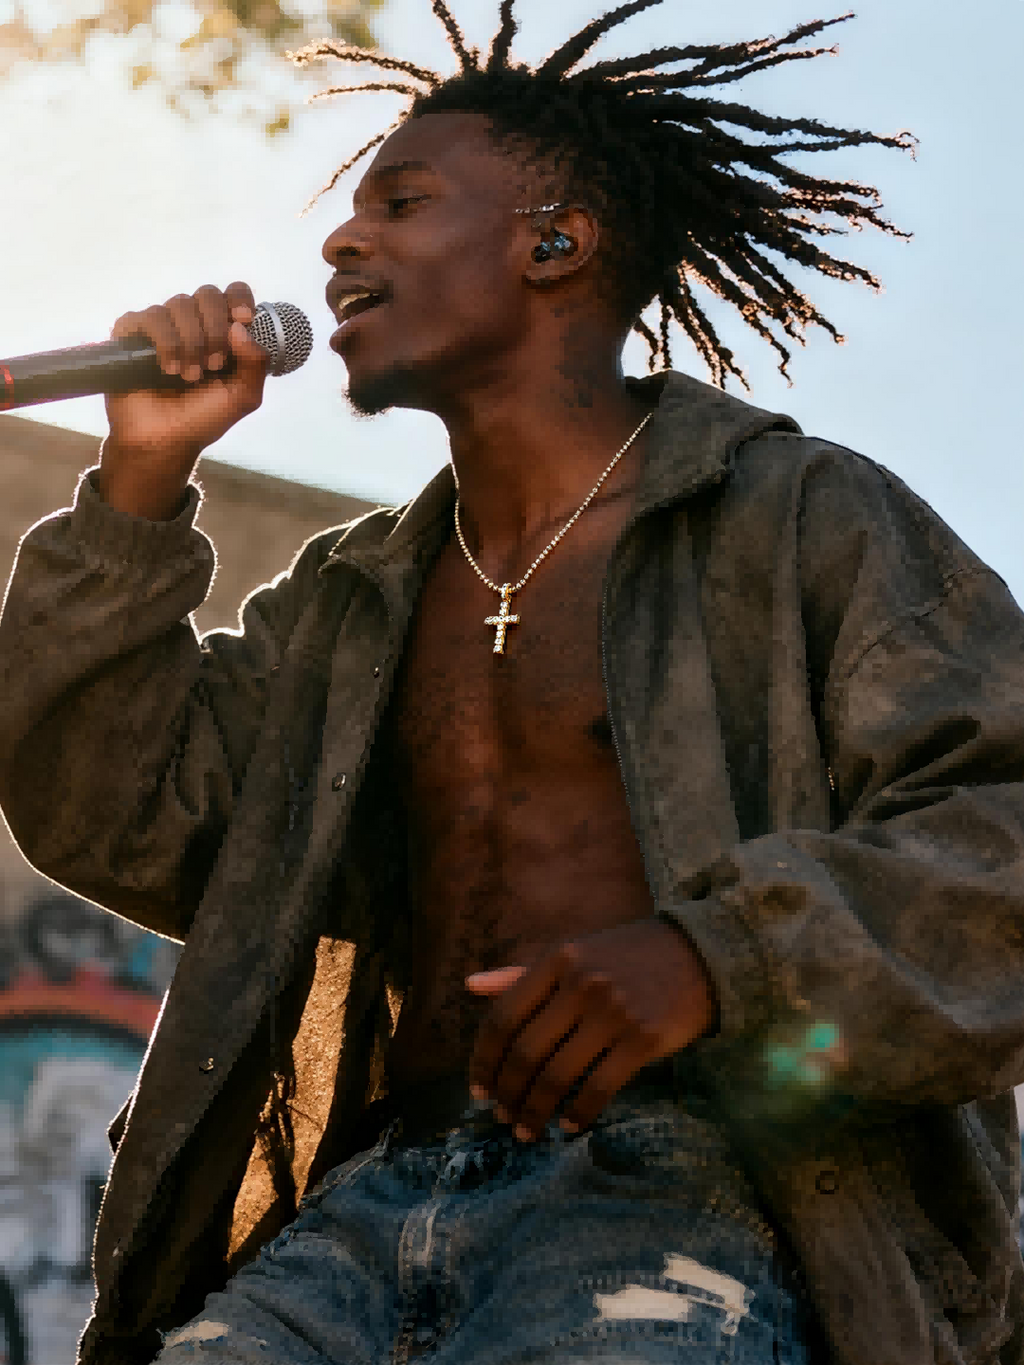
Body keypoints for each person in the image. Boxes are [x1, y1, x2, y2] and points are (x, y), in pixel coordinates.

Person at [1, 2, 1022, 1363]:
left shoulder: (803, 521)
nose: (341, 241)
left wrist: (722, 959)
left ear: (557, 242)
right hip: (364, 1201)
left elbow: (1001, 824)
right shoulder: (350, 599)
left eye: (403, 203)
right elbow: (111, 811)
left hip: (685, 1194)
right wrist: (136, 484)